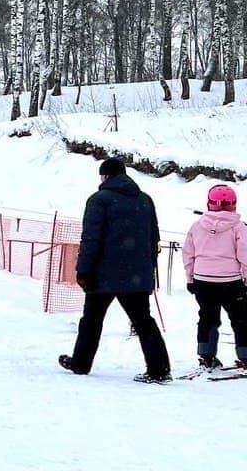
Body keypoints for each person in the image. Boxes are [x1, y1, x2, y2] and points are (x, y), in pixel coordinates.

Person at [59, 157, 171, 383]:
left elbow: (91, 239)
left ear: (105, 176)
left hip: (102, 275)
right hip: (137, 275)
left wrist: (83, 270)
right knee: (144, 321)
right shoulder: (145, 200)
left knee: (91, 320)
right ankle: (160, 369)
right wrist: (148, 272)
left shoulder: (99, 200)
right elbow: (154, 239)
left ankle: (81, 363)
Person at [183, 184, 247, 369]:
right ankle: (245, 354)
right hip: (231, 281)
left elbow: (188, 254)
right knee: (241, 319)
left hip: (203, 280)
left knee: (208, 318)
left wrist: (190, 279)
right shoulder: (239, 228)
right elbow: (245, 257)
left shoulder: (197, 226)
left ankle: (207, 355)